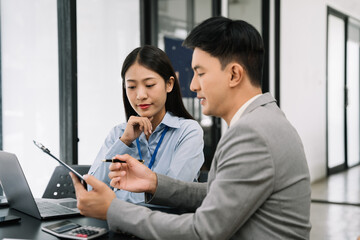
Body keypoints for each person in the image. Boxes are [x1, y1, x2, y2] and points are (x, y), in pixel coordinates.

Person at [71, 16, 311, 239]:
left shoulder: (252, 134)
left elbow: (202, 231)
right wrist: (154, 182)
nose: (193, 85)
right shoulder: (264, 120)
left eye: (200, 73)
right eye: (131, 86)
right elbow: (217, 192)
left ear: (234, 74)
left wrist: (114, 210)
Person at [87, 45, 204, 203]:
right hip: (117, 222)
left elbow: (173, 194)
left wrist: (119, 196)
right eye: (132, 87)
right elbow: (93, 190)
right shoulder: (118, 133)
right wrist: (124, 142)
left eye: (149, 85)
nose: (140, 95)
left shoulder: (188, 131)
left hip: (164, 225)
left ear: (169, 84)